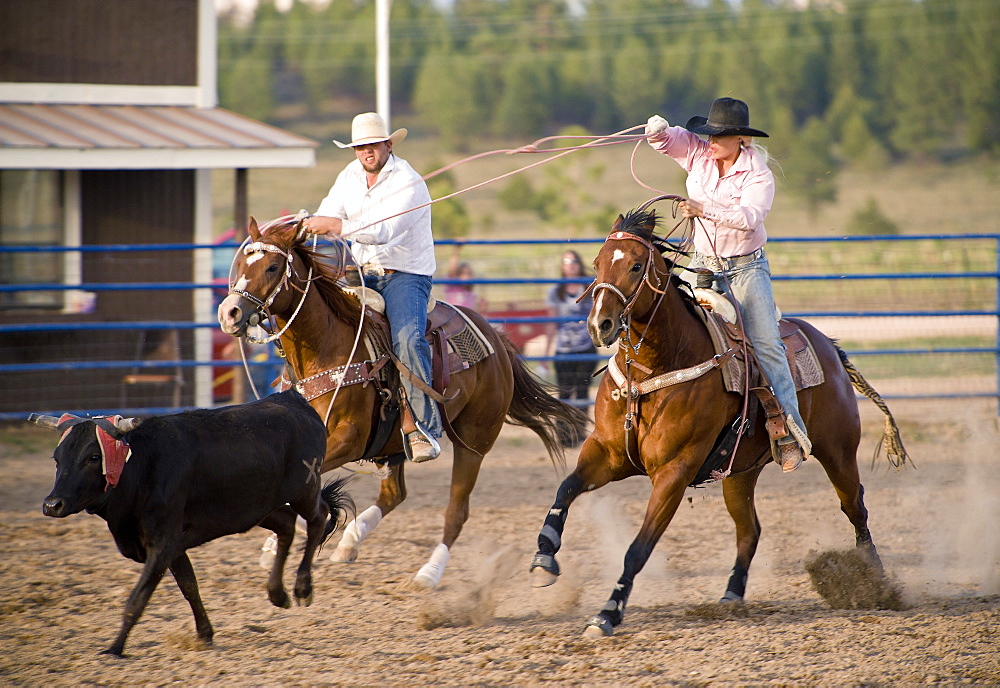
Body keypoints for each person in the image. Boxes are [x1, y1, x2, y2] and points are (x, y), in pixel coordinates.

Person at [644, 97, 809, 472]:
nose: (710, 141)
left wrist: (704, 209)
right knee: (659, 312)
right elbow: (674, 142)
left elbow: (750, 218)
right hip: (703, 261)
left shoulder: (757, 174)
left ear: (740, 140)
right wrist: (658, 132)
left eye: (718, 135)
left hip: (745, 268)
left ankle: (789, 434)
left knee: (766, 345)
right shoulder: (701, 155)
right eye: (709, 134)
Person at [303, 112, 442, 463]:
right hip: (361, 272)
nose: (366, 151)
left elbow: (384, 232)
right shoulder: (348, 177)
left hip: (405, 274)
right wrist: (303, 227)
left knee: (407, 338)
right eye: (359, 146)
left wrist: (334, 224)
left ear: (388, 145)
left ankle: (423, 427)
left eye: (372, 145)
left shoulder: (409, 181)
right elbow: (326, 213)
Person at [545, 250, 596, 404]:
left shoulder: (591, 288)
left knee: (582, 391)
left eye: (574, 261)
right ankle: (563, 428)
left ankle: (580, 428)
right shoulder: (555, 291)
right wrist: (546, 354)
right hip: (564, 350)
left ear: (579, 264)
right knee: (564, 393)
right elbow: (551, 322)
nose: (571, 266)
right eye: (567, 262)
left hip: (586, 348)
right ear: (562, 267)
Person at [443, 242, 483, 311]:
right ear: (457, 274)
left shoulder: (471, 294)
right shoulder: (453, 286)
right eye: (463, 273)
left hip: (466, 319)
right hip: (453, 317)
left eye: (469, 274)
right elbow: (452, 268)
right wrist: (457, 248)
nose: (466, 276)